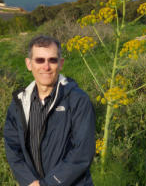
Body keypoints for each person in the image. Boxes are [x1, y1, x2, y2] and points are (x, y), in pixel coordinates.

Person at [4, 35, 95, 186]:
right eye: (39, 60)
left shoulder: (78, 100)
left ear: (61, 64)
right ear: (29, 64)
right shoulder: (18, 103)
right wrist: (30, 182)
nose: (46, 66)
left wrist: (48, 183)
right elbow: (13, 148)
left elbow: (82, 152)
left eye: (52, 60)